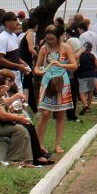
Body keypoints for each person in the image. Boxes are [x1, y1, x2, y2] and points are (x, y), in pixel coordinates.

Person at [0, 76, 38, 168]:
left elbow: (3, 111)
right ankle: (12, 160)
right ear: (0, 87)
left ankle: (26, 161)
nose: (7, 89)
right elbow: (3, 116)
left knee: (23, 128)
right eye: (6, 87)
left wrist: (17, 115)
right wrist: (18, 117)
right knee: (19, 130)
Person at [34, 25, 78, 154]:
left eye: (52, 38)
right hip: (47, 83)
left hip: (61, 83)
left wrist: (61, 64)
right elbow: (36, 67)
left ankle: (57, 144)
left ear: (58, 37)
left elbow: (74, 65)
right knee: (45, 113)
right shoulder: (44, 49)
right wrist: (41, 72)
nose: (50, 41)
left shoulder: (65, 47)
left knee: (60, 114)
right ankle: (39, 143)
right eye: (47, 39)